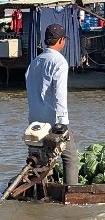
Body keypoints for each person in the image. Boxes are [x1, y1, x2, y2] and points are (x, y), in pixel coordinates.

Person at [25, 23, 78, 185]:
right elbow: (59, 95)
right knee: (69, 158)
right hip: (53, 122)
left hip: (34, 122)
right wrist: (62, 123)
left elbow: (31, 91)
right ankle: (72, 192)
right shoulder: (59, 62)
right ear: (61, 40)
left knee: (39, 160)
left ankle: (39, 193)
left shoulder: (35, 62)